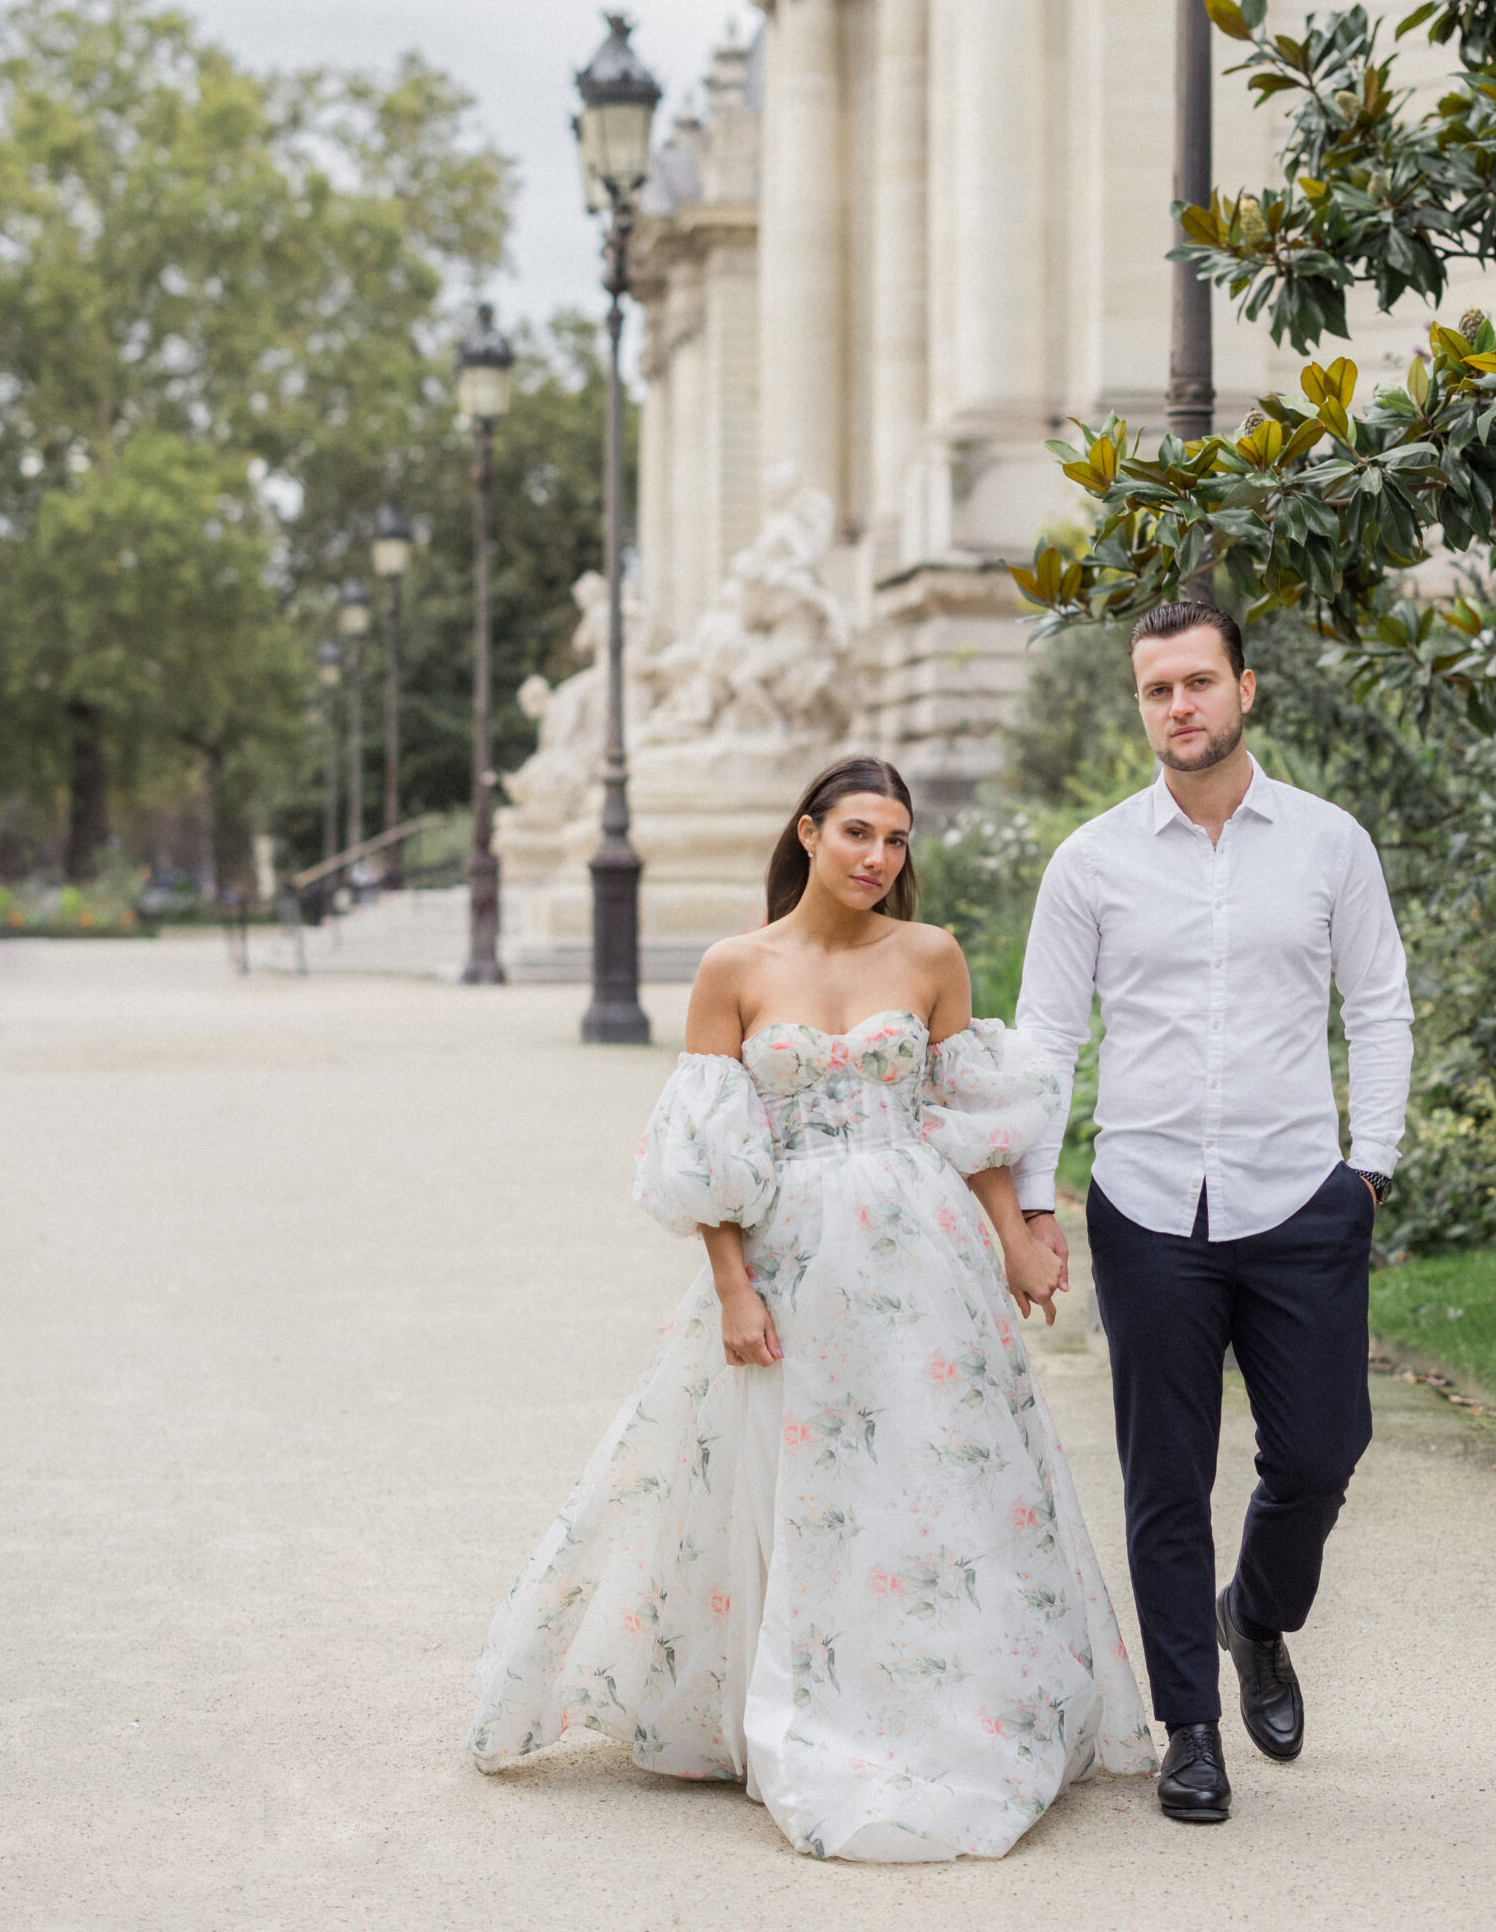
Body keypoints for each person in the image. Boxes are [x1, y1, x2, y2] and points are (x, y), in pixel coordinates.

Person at [469, 755, 1153, 1861]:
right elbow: (707, 1149)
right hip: (788, 1258)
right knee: (793, 1475)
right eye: (857, 834)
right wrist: (734, 1289)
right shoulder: (734, 968)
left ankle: (946, 1694)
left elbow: (964, 1119)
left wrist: (1019, 1236)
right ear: (809, 833)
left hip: (922, 1253)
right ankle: (789, 1695)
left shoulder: (931, 957)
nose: (878, 857)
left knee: (935, 1471)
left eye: (894, 839)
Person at [1010, 601, 1413, 1825]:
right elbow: (1046, 1039)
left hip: (1302, 1198)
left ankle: (1259, 1614)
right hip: (1146, 1209)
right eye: (1156, 691)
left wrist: (1370, 1171)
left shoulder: (1331, 844)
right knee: (1163, 1479)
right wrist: (1033, 1200)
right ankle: (1190, 1729)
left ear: (1247, 687)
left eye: (1197, 682)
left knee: (1319, 1453)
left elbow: (1380, 1005)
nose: (1178, 707)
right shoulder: (1090, 861)